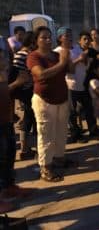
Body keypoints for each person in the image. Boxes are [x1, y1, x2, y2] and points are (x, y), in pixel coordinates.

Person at [27, 26, 73, 182]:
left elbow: (71, 70)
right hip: (44, 100)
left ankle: (59, 158)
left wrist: (67, 55)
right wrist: (61, 63)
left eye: (49, 37)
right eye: (43, 37)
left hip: (61, 99)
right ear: (36, 40)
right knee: (46, 134)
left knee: (61, 131)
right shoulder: (34, 56)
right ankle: (45, 167)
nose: (47, 40)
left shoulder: (56, 55)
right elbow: (41, 75)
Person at [0, 35, 34, 213]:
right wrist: (17, 83)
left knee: (9, 153)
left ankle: (8, 186)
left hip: (5, 119)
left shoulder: (5, 70)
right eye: (3, 55)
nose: (6, 57)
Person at [55, 30, 98, 142]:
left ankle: (93, 129)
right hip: (70, 85)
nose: (70, 37)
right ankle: (76, 134)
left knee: (89, 108)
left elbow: (84, 64)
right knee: (72, 111)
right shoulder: (58, 51)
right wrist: (79, 59)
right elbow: (64, 69)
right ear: (60, 38)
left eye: (70, 35)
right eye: (66, 35)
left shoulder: (76, 48)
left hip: (82, 83)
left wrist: (85, 61)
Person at [11, 31, 36, 160]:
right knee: (28, 119)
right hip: (26, 91)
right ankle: (24, 149)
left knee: (30, 118)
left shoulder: (26, 54)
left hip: (30, 90)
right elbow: (21, 75)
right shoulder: (22, 55)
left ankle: (27, 148)